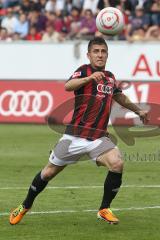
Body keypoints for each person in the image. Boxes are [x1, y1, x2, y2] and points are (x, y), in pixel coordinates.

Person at [9, 37, 149, 225]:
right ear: (89, 54)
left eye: (103, 51)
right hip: (74, 136)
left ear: (107, 55)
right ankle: (25, 206)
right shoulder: (84, 71)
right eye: (96, 51)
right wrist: (88, 78)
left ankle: (104, 209)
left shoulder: (110, 76)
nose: (100, 55)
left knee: (117, 163)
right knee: (48, 173)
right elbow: (68, 86)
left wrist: (137, 110)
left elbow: (119, 96)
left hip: (98, 138)